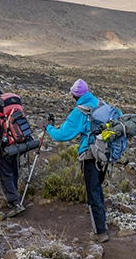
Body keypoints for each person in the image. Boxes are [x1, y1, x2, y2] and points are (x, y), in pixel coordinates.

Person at [44, 79, 113, 243]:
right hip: (105, 154)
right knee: (98, 189)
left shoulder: (80, 111)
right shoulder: (99, 103)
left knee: (93, 192)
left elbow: (61, 135)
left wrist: (48, 127)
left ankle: (100, 232)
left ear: (74, 96)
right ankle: (101, 223)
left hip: (90, 156)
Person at [0, 89, 26, 218]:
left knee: (5, 175)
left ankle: (15, 203)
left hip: (2, 148)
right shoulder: (14, 110)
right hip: (17, 145)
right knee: (14, 171)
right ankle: (15, 197)